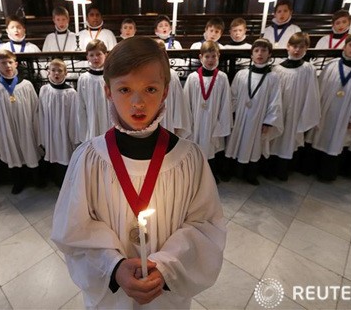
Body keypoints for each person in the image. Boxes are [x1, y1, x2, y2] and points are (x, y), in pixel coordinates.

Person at [51, 36, 226, 309]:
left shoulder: (190, 159)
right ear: (107, 91)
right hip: (112, 297)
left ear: (166, 91)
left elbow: (205, 226)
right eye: (124, 90)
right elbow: (72, 230)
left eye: (150, 89)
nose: (138, 103)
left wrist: (166, 267)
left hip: (165, 294)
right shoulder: (88, 159)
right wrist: (114, 267)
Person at [308, 31, 351, 182]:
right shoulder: (333, 64)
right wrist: (315, 109)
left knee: (336, 142)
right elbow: (319, 88)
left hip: (346, 113)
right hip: (326, 110)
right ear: (345, 46)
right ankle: (310, 168)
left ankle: (327, 173)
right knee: (319, 137)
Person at [224, 38, 283, 185]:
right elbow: (233, 95)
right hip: (240, 117)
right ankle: (231, 171)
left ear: (269, 54)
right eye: (256, 51)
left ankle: (250, 175)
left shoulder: (273, 77)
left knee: (254, 145)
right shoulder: (242, 74)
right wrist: (232, 112)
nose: (260, 54)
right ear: (251, 55)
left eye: (264, 51)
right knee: (235, 142)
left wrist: (269, 121)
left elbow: (275, 101)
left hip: (259, 118)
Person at [265, 32, 320, 181]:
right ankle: (269, 170)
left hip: (296, 111)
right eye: (294, 46)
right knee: (274, 139)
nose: (297, 50)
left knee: (289, 140)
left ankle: (283, 171)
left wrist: (305, 115)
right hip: (278, 110)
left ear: (306, 49)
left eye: (301, 47)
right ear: (288, 47)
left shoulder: (308, 69)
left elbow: (312, 94)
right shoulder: (277, 69)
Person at [0, 50, 43, 194]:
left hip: (26, 126)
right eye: (3, 63)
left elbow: (35, 108)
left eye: (10, 62)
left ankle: (37, 179)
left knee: (30, 150)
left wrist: (36, 128)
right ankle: (18, 182)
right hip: (7, 128)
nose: (7, 66)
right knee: (12, 152)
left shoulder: (26, 85)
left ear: (16, 63)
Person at [184, 41, 231, 182]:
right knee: (195, 149)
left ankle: (210, 176)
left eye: (213, 56)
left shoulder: (222, 78)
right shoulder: (192, 78)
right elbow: (186, 102)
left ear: (218, 56)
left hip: (213, 121)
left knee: (211, 149)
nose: (210, 60)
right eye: (207, 56)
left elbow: (226, 103)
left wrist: (221, 123)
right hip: (196, 121)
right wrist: (188, 123)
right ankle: (194, 176)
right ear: (200, 57)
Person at [37, 59, 77, 187]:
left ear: (65, 73)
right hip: (49, 129)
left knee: (65, 155)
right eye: (53, 70)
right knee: (52, 154)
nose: (56, 73)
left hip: (64, 131)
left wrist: (72, 136)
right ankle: (55, 179)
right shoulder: (44, 90)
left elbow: (74, 116)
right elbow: (41, 112)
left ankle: (65, 182)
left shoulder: (71, 93)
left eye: (60, 71)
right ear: (48, 72)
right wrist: (42, 133)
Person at [153, 39, 191, 139]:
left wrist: (177, 126)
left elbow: (178, 103)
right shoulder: (143, 74)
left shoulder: (171, 75)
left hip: (167, 122)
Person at [76, 39, 111, 143]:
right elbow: (81, 106)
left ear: (106, 55)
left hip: (109, 119)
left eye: (99, 54)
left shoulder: (111, 77)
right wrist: (83, 130)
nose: (95, 58)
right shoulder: (84, 78)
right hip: (91, 120)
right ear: (87, 57)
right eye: (91, 55)